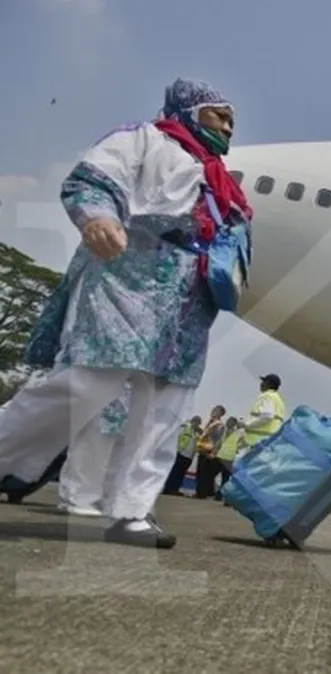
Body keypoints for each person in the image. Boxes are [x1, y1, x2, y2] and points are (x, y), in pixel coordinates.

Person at [0, 78, 249, 548]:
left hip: (189, 303)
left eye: (233, 118)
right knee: (89, 384)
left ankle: (130, 511)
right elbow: (91, 179)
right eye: (220, 114)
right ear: (190, 111)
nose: (229, 126)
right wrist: (97, 217)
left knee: (165, 406)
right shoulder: (144, 139)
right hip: (130, 274)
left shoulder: (219, 179)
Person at [57, 385, 131, 516]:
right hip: (110, 381)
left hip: (133, 388)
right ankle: (80, 495)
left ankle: (104, 497)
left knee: (121, 445)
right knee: (94, 440)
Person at [243, 374, 285, 450]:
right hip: (269, 442)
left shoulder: (268, 396)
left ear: (270, 384)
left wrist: (246, 424)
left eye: (264, 381)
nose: (261, 384)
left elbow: (267, 417)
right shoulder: (279, 400)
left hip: (258, 442)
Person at [193, 405, 227, 499]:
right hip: (202, 450)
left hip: (208, 451)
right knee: (200, 472)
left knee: (205, 473)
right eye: (213, 409)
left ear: (221, 413)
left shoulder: (218, 424)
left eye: (216, 410)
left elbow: (218, 440)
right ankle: (200, 492)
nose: (213, 411)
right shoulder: (210, 423)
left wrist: (213, 453)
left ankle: (202, 493)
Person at [163, 416, 202, 496]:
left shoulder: (196, 434)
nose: (196, 424)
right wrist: (176, 450)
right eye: (196, 422)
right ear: (192, 421)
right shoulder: (185, 428)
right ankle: (168, 489)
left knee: (181, 474)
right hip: (181, 453)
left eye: (198, 423)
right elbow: (176, 438)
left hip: (189, 457)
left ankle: (175, 489)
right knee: (175, 472)